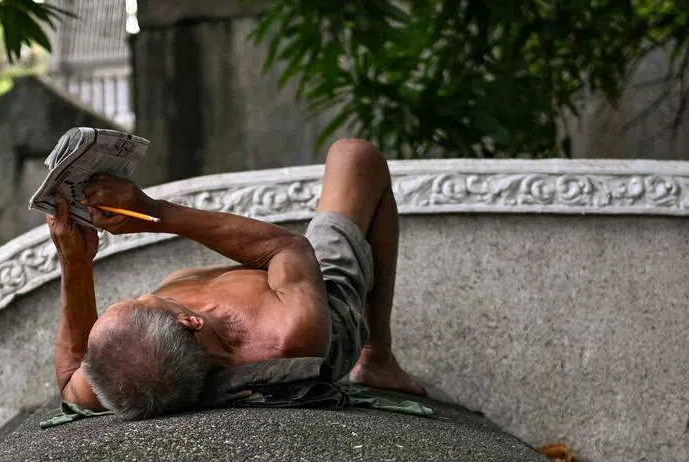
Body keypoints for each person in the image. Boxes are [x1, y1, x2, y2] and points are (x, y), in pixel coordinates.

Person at [49, 138, 424, 418]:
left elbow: (69, 380)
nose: (142, 295)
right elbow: (288, 249)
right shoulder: (289, 332)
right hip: (319, 301)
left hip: (266, 284)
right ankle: (376, 357)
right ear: (190, 320)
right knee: (356, 157)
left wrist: (75, 261)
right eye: (140, 301)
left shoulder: (121, 376)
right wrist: (153, 212)